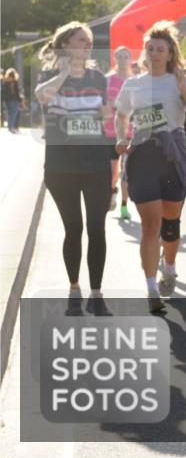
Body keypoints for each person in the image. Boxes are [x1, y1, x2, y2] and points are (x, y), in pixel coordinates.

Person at [115, 21, 186, 313]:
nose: (154, 53)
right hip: (142, 154)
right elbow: (121, 115)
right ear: (145, 52)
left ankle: (169, 265)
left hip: (173, 154)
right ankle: (152, 287)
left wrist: (183, 88)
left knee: (170, 222)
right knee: (150, 225)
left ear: (170, 54)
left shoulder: (182, 80)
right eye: (150, 48)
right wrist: (120, 136)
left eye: (160, 50)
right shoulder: (133, 84)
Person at [35, 22, 113, 315]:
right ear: (66, 45)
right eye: (82, 40)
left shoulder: (98, 78)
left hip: (95, 165)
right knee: (74, 228)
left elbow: (105, 120)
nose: (88, 46)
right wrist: (65, 73)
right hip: (61, 167)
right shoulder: (48, 77)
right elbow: (41, 96)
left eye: (90, 42)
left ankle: (96, 294)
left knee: (97, 228)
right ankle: (74, 290)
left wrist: (114, 160)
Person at [106, 46, 134, 219]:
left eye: (126, 57)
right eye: (120, 57)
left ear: (130, 59)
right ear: (115, 59)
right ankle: (112, 192)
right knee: (113, 170)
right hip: (111, 131)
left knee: (127, 170)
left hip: (131, 130)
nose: (123, 60)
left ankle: (124, 205)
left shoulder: (135, 80)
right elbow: (107, 105)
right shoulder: (108, 79)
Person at [2, 68, 24, 133]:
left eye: (12, 76)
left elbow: (17, 92)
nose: (11, 77)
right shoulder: (5, 83)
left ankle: (11, 127)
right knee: (11, 113)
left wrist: (20, 99)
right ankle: (10, 127)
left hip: (15, 100)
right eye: (10, 76)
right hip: (9, 100)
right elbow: (4, 92)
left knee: (13, 113)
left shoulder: (15, 82)